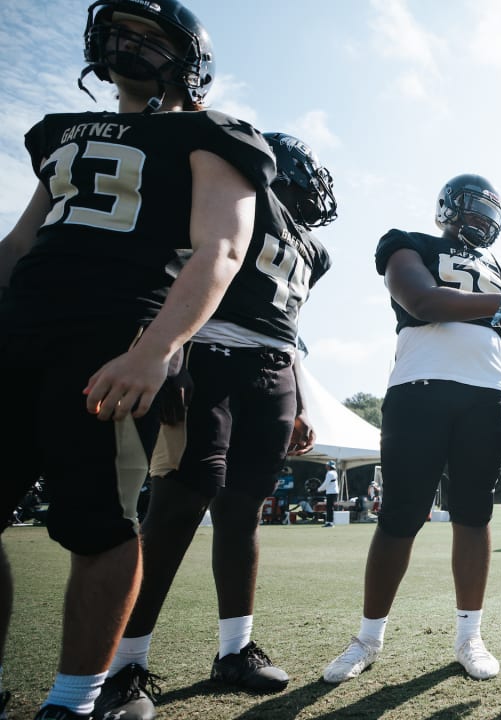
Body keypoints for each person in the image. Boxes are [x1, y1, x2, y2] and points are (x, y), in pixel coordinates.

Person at [0, 1, 275, 717]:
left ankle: (77, 699)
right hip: (19, 328)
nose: (130, 45)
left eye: (152, 37)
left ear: (191, 58)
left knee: (101, 522)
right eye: (121, 32)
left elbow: (222, 246)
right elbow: (24, 240)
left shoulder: (212, 132)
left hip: (113, 337)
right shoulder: (61, 133)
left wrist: (156, 349)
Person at [94, 130, 337, 718]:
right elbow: (180, 269)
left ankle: (235, 651)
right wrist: (168, 352)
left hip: (273, 369)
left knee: (244, 508)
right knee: (179, 501)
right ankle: (125, 664)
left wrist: (301, 398)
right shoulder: (235, 191)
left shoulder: (315, 250)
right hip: (207, 355)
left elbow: (289, 325)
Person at [321, 174, 501, 685]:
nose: (480, 222)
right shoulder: (409, 244)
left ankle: (469, 635)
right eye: (472, 209)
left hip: (486, 397)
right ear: (448, 207)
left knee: (474, 515)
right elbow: (422, 302)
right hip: (420, 388)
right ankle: (368, 637)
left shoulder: (498, 272)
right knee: (400, 516)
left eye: (488, 214)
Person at [319, 461, 341, 528]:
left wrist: (319, 489)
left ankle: (330, 522)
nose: (326, 466)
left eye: (327, 465)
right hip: (333, 492)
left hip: (331, 492)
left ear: (330, 466)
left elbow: (326, 483)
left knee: (329, 508)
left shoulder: (329, 473)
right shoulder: (334, 472)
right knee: (329, 508)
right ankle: (328, 522)